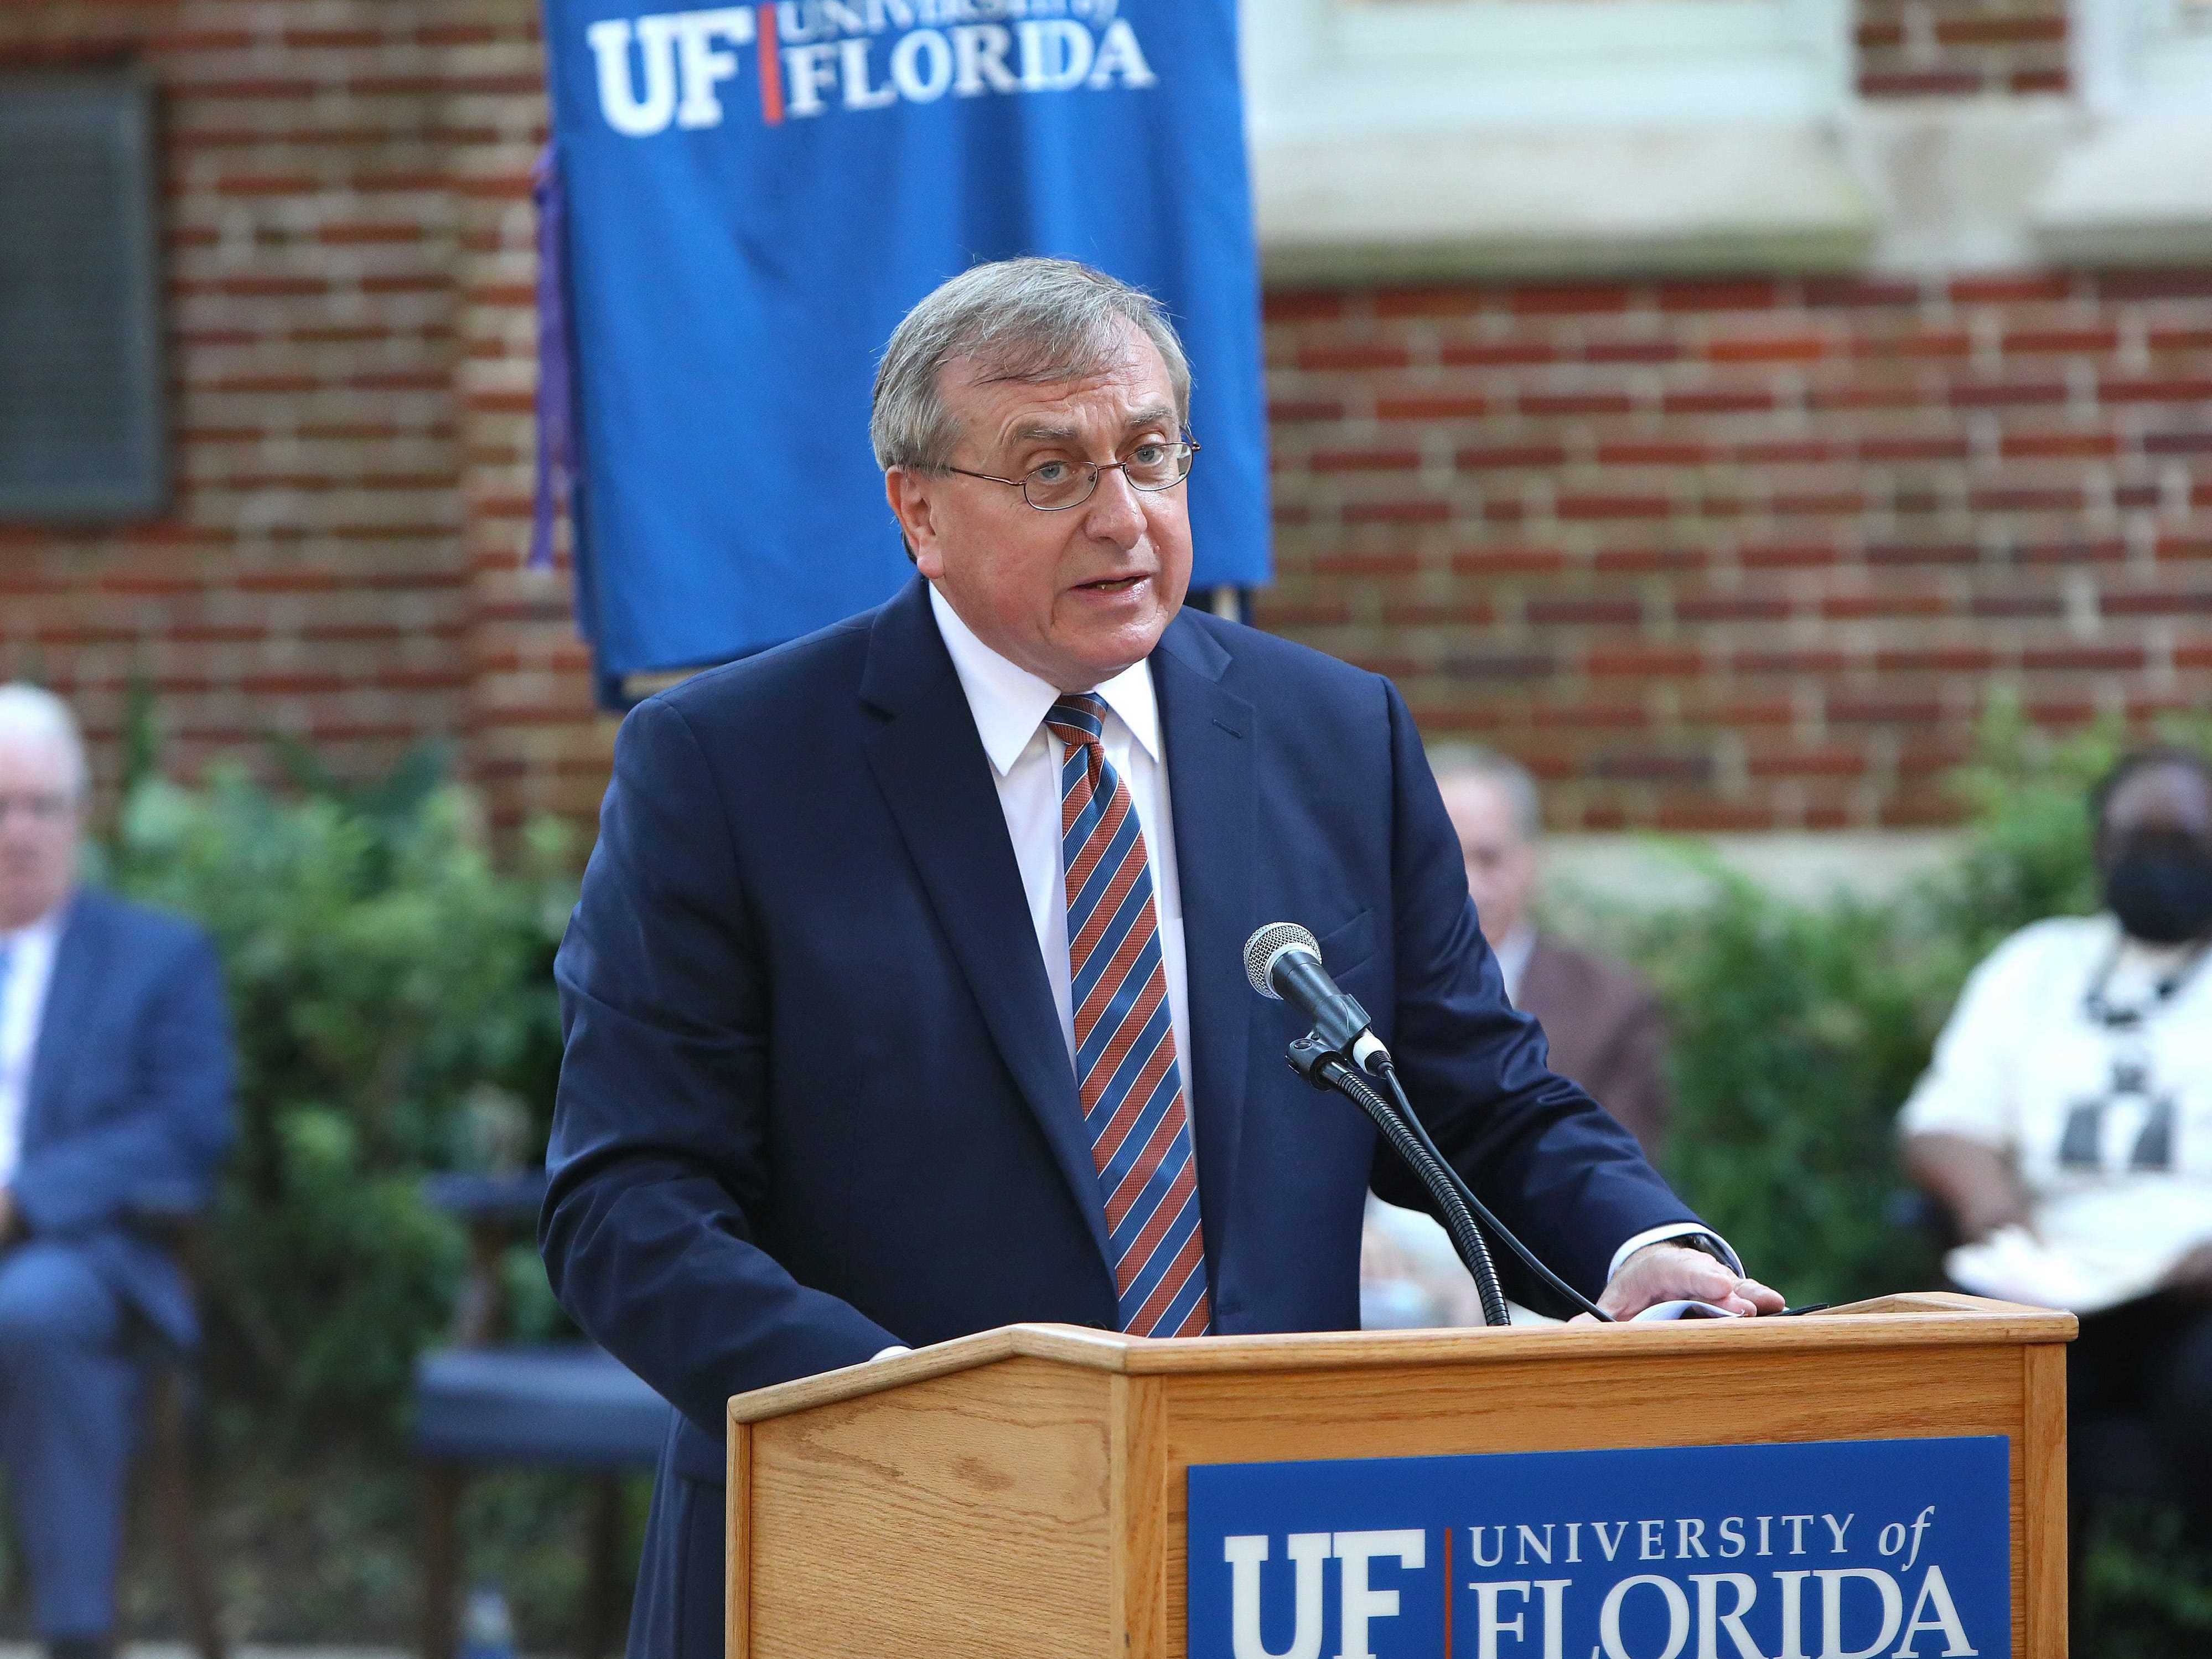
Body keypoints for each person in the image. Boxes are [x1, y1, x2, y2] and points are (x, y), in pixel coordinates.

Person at [540, 257, 1783, 1659]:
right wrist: (901, 1410)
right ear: (920, 511)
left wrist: (1639, 1244)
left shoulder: (1336, 736)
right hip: (878, 1548)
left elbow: (1475, 1100)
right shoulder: (731, 767)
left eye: (1148, 455)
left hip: (1275, 1560)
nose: (1122, 517)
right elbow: (629, 1206)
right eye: (1052, 470)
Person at [1899, 745, 2212, 1536]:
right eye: (2136, 840)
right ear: (2099, 847)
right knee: (1979, 1430)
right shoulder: (2035, 965)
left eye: (2182, 842)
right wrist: (1991, 1206)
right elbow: (1943, 1124)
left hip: (2195, 1294)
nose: (2157, 862)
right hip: (2047, 1285)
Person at [0, 685, 234, 1659]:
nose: (17, 831)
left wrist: (21, 1201)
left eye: (39, 805)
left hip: (93, 1254)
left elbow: (186, 1128)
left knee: (31, 1310)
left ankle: (76, 1631)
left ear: (80, 816)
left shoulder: (156, 957)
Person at [1434, 746, 1671, 1156]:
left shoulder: (1609, 1004)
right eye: (1444, 860)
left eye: (1488, 859)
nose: (1468, 886)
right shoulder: (1359, 993)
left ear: (1530, 861)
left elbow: (1617, 1172)